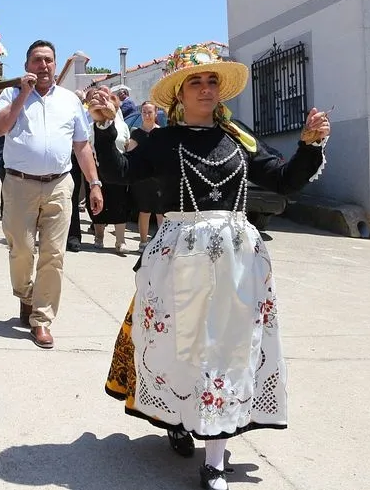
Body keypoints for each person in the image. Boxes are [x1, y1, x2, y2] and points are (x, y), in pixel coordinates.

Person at [87, 43, 330, 490]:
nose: (205, 88)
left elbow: (283, 180)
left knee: (228, 350)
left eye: (211, 80)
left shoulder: (239, 138)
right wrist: (104, 127)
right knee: (182, 348)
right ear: (180, 93)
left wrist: (309, 145)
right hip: (179, 258)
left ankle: (214, 461)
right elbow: (122, 171)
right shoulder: (162, 141)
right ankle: (179, 418)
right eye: (195, 81)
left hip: (238, 263)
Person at [0, 40, 104, 350]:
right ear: (27, 66)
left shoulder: (69, 101)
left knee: (54, 254)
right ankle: (26, 295)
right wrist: (22, 96)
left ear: (55, 65)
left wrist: (94, 183)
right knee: (21, 249)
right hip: (19, 184)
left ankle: (41, 319)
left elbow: (82, 145)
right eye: (37, 60)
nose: (43, 66)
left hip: (59, 185)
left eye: (48, 60)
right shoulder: (11, 95)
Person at [84, 85, 132, 254]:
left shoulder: (123, 126)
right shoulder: (93, 124)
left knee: (120, 204)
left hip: (119, 169)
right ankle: (99, 236)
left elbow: (127, 145)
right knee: (98, 204)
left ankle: (120, 240)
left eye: (112, 100)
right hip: (97, 168)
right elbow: (87, 146)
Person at [127, 101, 164, 250]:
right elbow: (130, 155)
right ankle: (143, 242)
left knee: (161, 211)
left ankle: (162, 242)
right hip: (142, 178)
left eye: (150, 112)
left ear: (155, 113)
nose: (147, 115)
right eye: (144, 112)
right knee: (145, 210)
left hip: (159, 177)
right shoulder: (136, 133)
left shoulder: (161, 133)